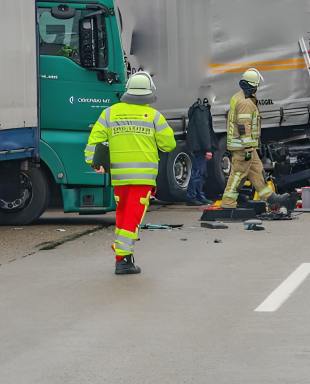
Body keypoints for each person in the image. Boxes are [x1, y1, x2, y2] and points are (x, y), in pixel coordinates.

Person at [85, 71, 175, 275]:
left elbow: (94, 142)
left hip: (119, 177)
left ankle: (122, 256)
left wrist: (94, 163)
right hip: (143, 177)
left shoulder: (109, 113)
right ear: (148, 92)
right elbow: (169, 144)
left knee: (124, 214)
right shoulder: (154, 116)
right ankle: (123, 260)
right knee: (133, 217)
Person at [220, 68, 296, 211]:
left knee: (257, 170)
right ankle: (228, 203)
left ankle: (269, 197)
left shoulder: (240, 97)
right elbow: (243, 126)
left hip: (245, 146)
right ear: (254, 85)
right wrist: (248, 148)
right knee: (238, 173)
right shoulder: (245, 103)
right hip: (243, 147)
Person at [185, 98, 216, 206]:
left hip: (196, 146)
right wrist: (208, 149)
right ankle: (192, 196)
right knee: (199, 173)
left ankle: (198, 195)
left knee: (199, 172)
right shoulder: (203, 111)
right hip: (200, 147)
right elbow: (204, 132)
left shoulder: (197, 110)